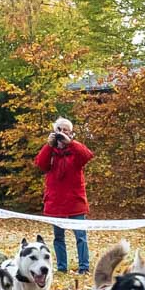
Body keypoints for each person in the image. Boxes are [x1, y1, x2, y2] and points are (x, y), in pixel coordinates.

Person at [34, 117, 94, 274]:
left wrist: (70, 143)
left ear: (71, 132)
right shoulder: (51, 151)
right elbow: (40, 164)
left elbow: (87, 156)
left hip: (75, 201)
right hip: (56, 202)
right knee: (58, 237)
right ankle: (62, 268)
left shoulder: (75, 151)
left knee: (80, 237)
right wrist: (49, 145)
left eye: (65, 130)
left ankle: (84, 267)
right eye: (59, 129)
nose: (61, 133)